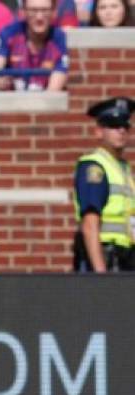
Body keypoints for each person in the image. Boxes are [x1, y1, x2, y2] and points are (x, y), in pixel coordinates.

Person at [72, 97, 135, 273]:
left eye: (125, 125)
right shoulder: (94, 166)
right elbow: (90, 224)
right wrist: (101, 278)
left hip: (126, 258)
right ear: (99, 132)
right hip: (105, 258)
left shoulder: (123, 169)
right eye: (113, 125)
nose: (121, 130)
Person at [0, 0, 68, 92]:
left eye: (45, 10)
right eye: (33, 10)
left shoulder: (61, 40)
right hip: (10, 102)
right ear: (23, 12)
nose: (39, 17)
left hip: (45, 103)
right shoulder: (9, 34)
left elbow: (53, 91)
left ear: (54, 12)